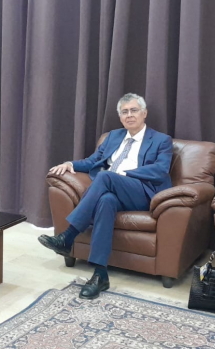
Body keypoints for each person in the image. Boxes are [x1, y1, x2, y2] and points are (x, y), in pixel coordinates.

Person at [39, 93, 173, 299]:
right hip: (112, 190)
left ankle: (69, 236)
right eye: (124, 112)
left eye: (134, 110)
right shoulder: (113, 137)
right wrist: (70, 164)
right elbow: (93, 161)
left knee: (105, 176)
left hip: (142, 192)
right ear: (120, 117)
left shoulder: (161, 140)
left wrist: (123, 174)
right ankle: (100, 274)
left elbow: (160, 170)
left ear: (144, 113)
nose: (129, 115)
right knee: (105, 201)